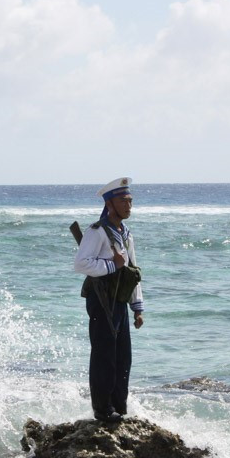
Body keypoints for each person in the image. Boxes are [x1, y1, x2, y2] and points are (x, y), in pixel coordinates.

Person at [73, 177, 144, 423]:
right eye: (123, 201)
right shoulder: (97, 232)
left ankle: (119, 406)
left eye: (130, 200)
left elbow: (132, 271)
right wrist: (111, 265)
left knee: (123, 356)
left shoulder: (126, 233)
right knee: (104, 354)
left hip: (119, 301)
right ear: (110, 204)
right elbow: (81, 263)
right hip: (100, 299)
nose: (128, 205)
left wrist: (137, 308)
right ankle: (102, 409)